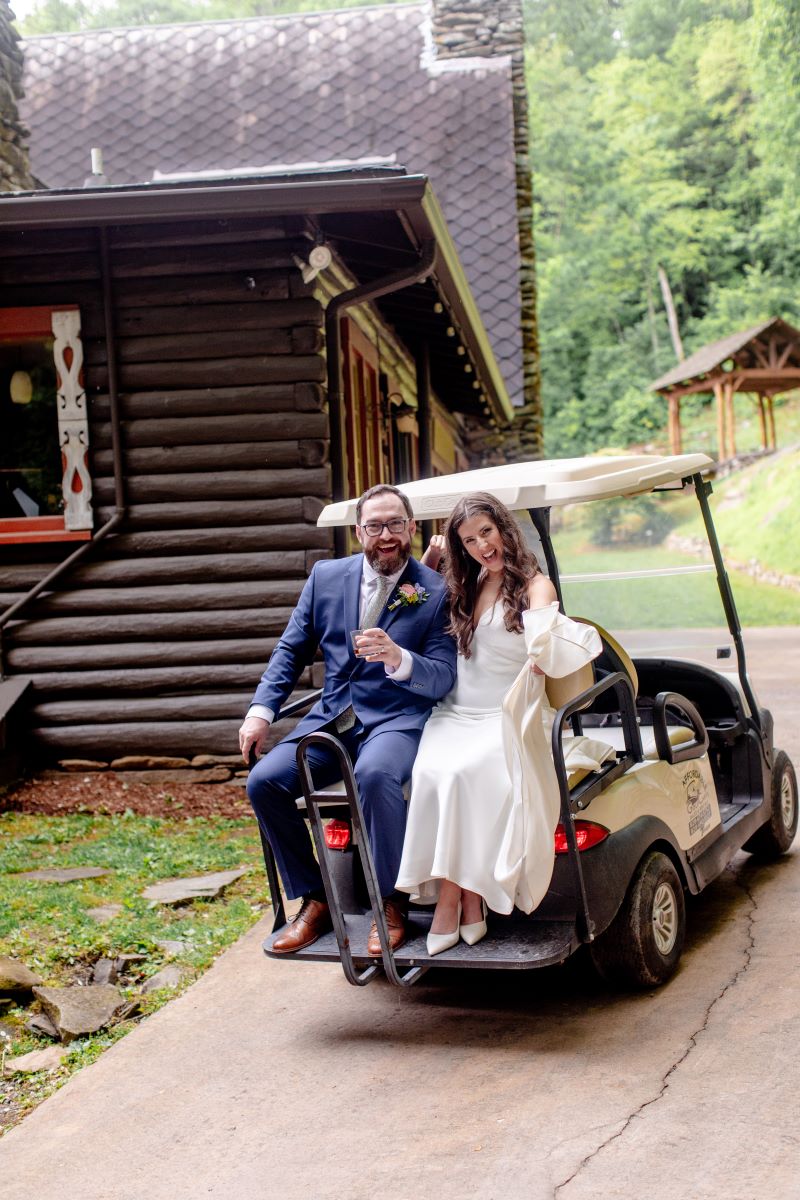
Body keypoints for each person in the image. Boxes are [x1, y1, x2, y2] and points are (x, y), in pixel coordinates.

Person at [240, 483, 457, 957]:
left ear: (411, 528)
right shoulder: (326, 576)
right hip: (334, 718)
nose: (386, 535)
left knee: (375, 775)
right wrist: (261, 712)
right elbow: (290, 651)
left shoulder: (436, 591)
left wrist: (399, 657)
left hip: (396, 718)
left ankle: (390, 904)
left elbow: (442, 677)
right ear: (359, 531)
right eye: (375, 525)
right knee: (264, 782)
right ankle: (316, 900)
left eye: (396, 524)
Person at [396, 492, 603, 955]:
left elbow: (544, 640)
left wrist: (540, 649)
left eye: (486, 533)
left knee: (465, 774)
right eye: (469, 540)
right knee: (433, 773)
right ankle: (468, 900)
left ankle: (450, 901)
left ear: (503, 529)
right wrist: (427, 561)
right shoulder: (460, 582)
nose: (481, 546)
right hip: (454, 712)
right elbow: (407, 602)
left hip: (505, 715)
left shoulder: (535, 586)